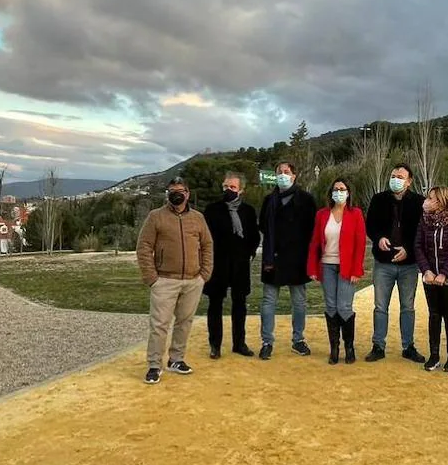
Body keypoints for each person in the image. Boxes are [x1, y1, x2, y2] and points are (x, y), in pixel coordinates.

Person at [136, 177, 214, 385]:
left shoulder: (198, 218)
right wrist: (151, 277)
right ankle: (154, 364)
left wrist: (204, 274)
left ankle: (176, 359)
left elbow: (207, 245)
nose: (176, 194)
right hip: (164, 280)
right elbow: (144, 247)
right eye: (172, 190)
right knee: (159, 324)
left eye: (180, 190)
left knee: (184, 322)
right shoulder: (156, 217)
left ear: (187, 194)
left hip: (192, 280)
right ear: (167, 194)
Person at [365, 164, 426, 363]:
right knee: (380, 306)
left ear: (409, 181)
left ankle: (408, 346)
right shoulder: (378, 199)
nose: (395, 179)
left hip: (408, 264)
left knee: (407, 307)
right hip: (383, 262)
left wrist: (408, 249)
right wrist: (378, 238)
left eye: (400, 176)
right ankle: (378, 346)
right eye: (393, 175)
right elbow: (370, 225)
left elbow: (422, 231)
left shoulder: (419, 202)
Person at [258, 162, 318, 361]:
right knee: (268, 302)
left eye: (286, 172)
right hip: (272, 258)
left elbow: (312, 229)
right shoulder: (269, 200)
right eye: (279, 172)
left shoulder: (306, 200)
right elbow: (262, 226)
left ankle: (298, 340)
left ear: (294, 175)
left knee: (299, 302)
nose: (282, 175)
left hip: (297, 259)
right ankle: (267, 342)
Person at [307, 179, 366, 365]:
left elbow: (360, 244)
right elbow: (315, 242)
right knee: (331, 306)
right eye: (336, 189)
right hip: (327, 265)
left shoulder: (355, 214)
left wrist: (357, 269)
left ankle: (349, 347)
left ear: (348, 193)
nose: (339, 192)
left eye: (342, 189)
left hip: (347, 267)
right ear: (331, 192)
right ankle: (334, 348)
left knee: (344, 307)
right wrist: (312, 268)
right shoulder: (322, 214)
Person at [202, 172, 261, 359]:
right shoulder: (211, 210)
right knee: (215, 305)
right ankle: (215, 345)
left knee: (240, 305)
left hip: (240, 265)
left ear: (241, 190)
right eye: (226, 187)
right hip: (217, 265)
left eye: (233, 187)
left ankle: (239, 343)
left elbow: (254, 236)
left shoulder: (248, 211)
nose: (229, 190)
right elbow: (205, 237)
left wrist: (248, 253)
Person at [415, 186, 448, 373]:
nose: (427, 201)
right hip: (430, 275)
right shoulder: (424, 220)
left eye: (431, 198)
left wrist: (444, 273)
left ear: (441, 202)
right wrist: (426, 271)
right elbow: (418, 246)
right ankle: (434, 355)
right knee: (434, 314)